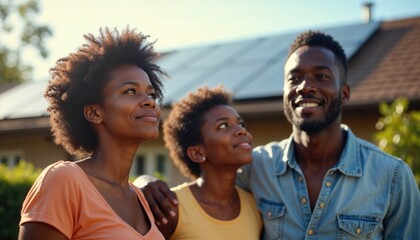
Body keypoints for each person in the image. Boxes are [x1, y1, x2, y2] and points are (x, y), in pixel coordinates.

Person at [142, 30, 420, 239]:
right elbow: (206, 181)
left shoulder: (392, 178)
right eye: (294, 77)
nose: (305, 86)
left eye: (321, 76)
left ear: (344, 93)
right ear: (284, 92)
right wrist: (147, 181)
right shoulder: (257, 166)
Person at [18, 27, 166, 240]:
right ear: (95, 112)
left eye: (151, 93)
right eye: (130, 91)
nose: (149, 101)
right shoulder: (64, 180)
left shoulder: (140, 199)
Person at [135, 86, 262, 239]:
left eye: (241, 124)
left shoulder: (255, 205)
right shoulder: (172, 208)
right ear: (197, 153)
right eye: (223, 126)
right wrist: (140, 183)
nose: (241, 131)